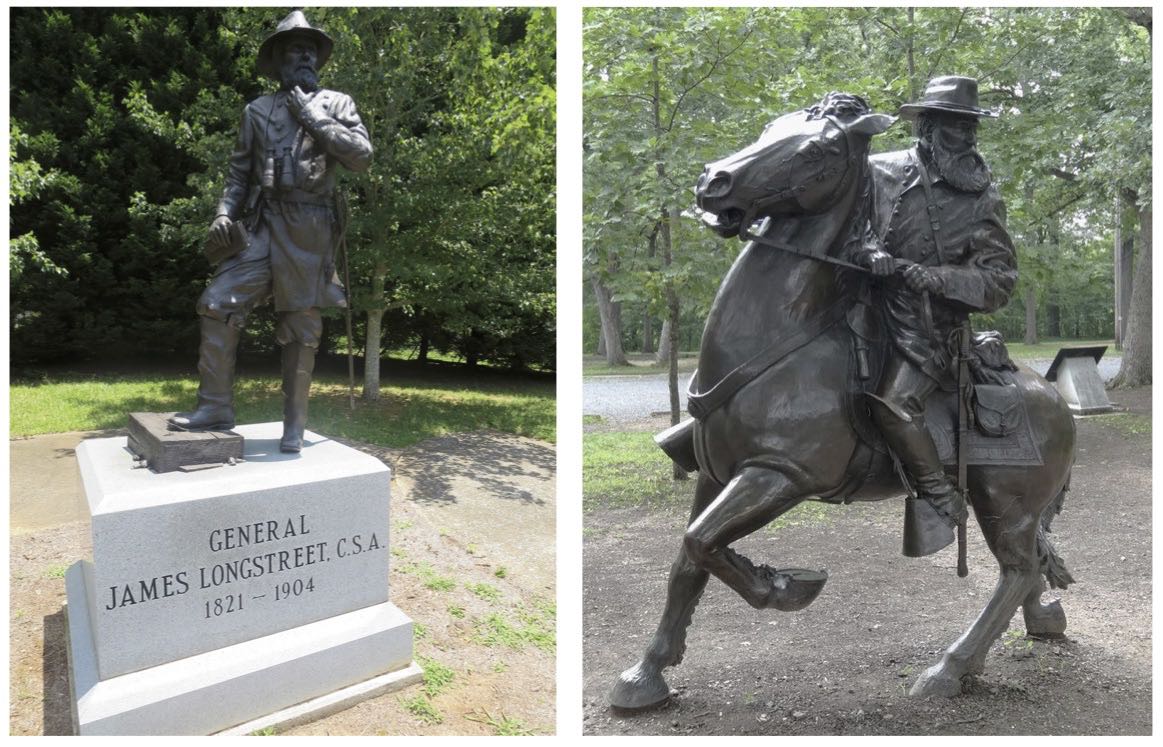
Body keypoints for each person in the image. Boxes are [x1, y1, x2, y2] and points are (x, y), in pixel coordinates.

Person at [168, 10, 372, 453]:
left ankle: (294, 427)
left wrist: (311, 117)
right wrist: (224, 213)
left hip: (310, 228)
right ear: (278, 60)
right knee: (217, 303)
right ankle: (216, 407)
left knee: (301, 328)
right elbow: (239, 174)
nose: (303, 56)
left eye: (309, 50)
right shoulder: (257, 110)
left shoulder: (337, 103)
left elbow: (361, 155)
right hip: (263, 223)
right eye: (293, 49)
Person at [853, 76, 1017, 555]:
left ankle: (940, 498)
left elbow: (1000, 280)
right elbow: (850, 227)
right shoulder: (876, 171)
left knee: (895, 403)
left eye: (970, 126)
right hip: (859, 308)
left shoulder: (982, 197)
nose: (965, 136)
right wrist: (868, 252)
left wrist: (938, 278)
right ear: (926, 126)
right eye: (954, 126)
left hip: (925, 331)